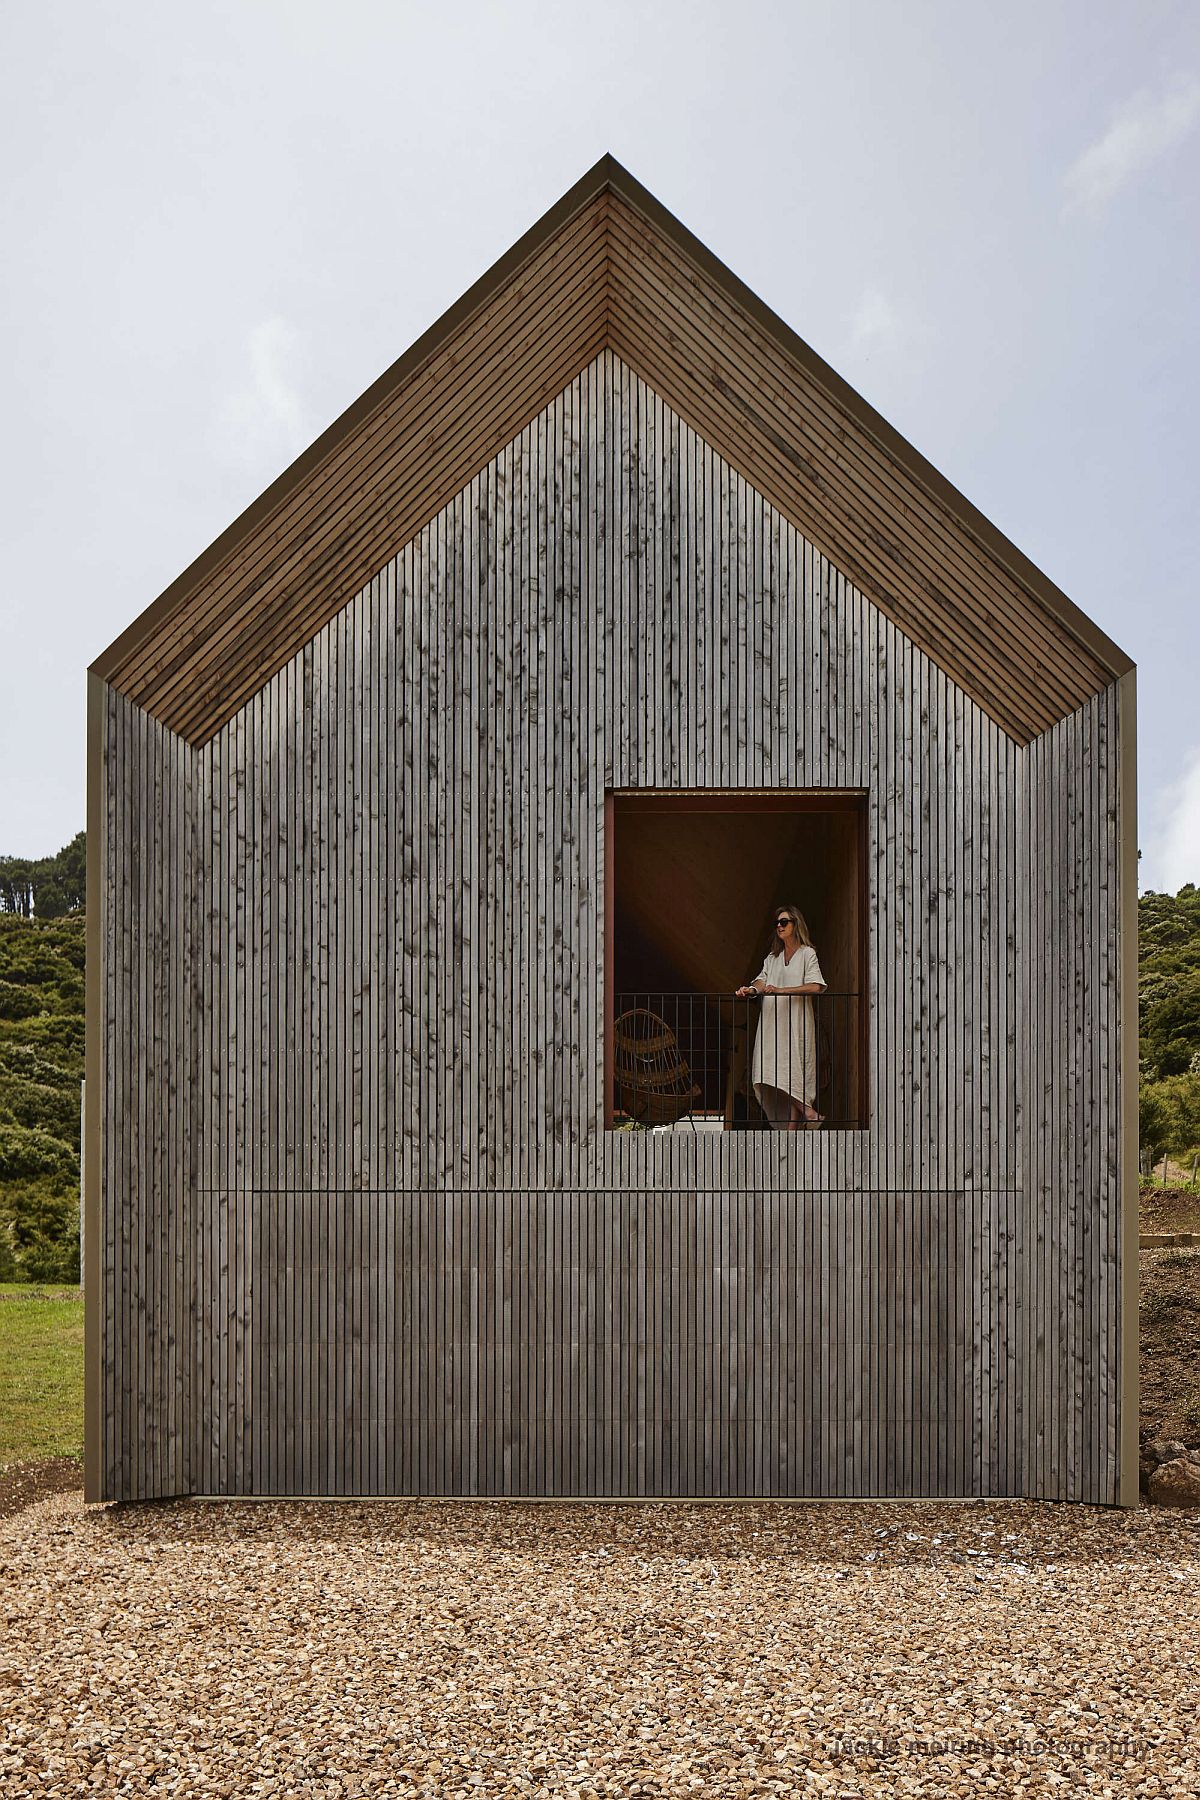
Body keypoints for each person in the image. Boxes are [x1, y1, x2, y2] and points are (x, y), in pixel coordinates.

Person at [736, 905, 827, 1129]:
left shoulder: (807, 954)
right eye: (777, 923)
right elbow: (761, 981)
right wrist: (751, 990)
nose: (779, 926)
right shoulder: (772, 958)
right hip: (772, 1024)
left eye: (784, 922)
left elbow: (816, 986)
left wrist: (782, 991)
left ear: (796, 925)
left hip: (796, 1022)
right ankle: (807, 1113)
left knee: (793, 1073)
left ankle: (793, 1126)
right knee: (769, 1071)